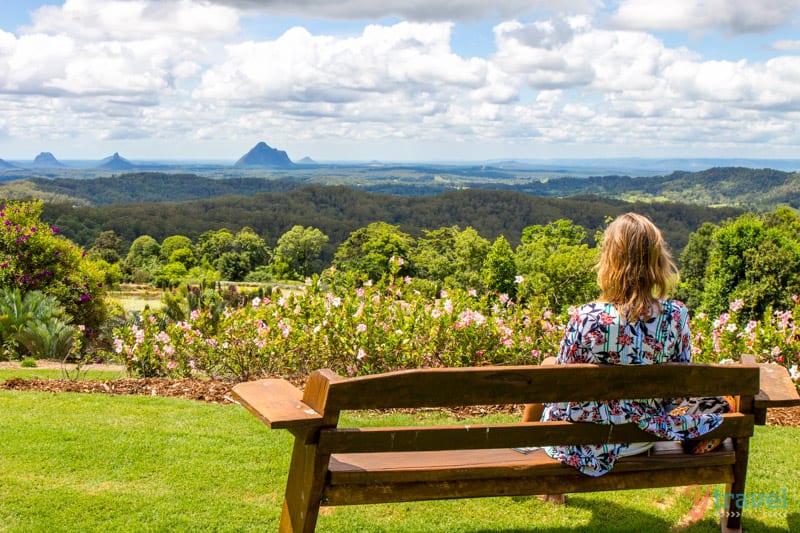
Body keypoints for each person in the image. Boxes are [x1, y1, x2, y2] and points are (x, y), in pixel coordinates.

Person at [524, 212, 730, 480]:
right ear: (657, 260)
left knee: (548, 368)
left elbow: (562, 386)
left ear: (610, 260)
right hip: (640, 437)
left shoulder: (587, 317)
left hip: (583, 440)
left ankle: (525, 446)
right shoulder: (675, 315)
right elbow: (680, 388)